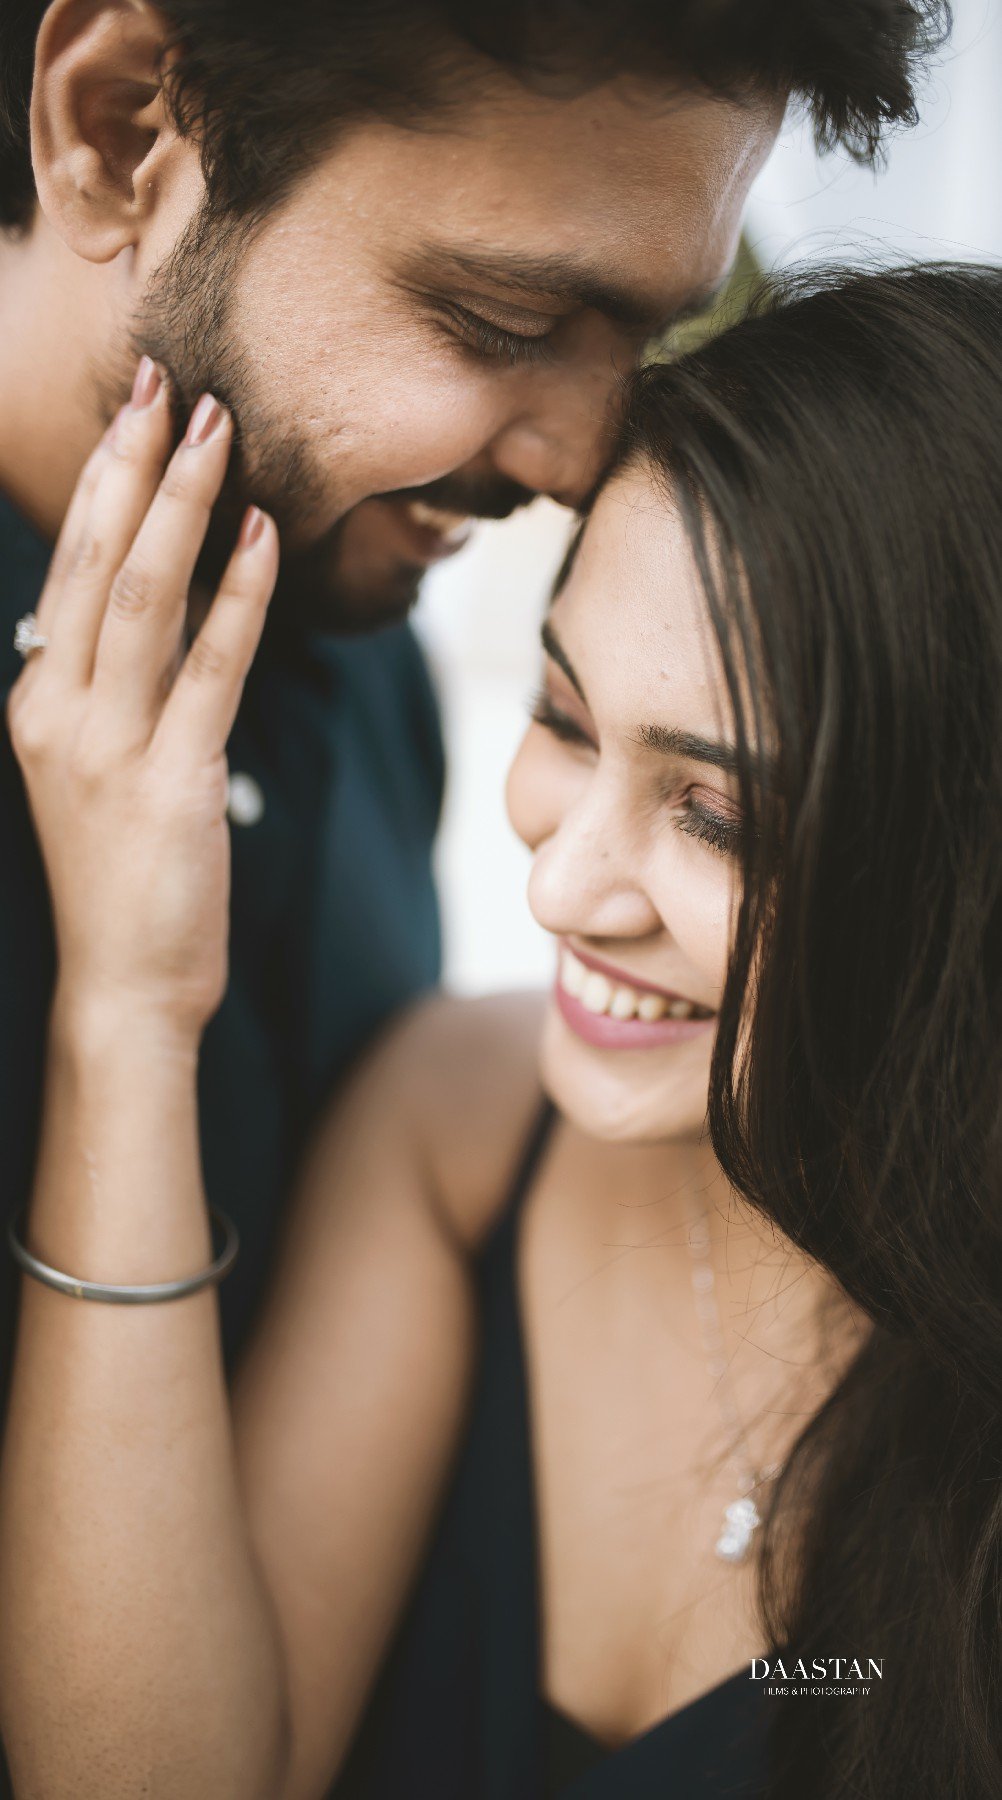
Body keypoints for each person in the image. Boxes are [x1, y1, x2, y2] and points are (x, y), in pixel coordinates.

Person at [2, 259, 1000, 1799]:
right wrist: (129, 1014)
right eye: (560, 721)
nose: (560, 881)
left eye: (720, 816)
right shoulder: (455, 1124)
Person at [0, 1, 948, 1397]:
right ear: (121, 126)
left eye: (642, 340)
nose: (580, 461)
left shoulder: (362, 660)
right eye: (498, 319)